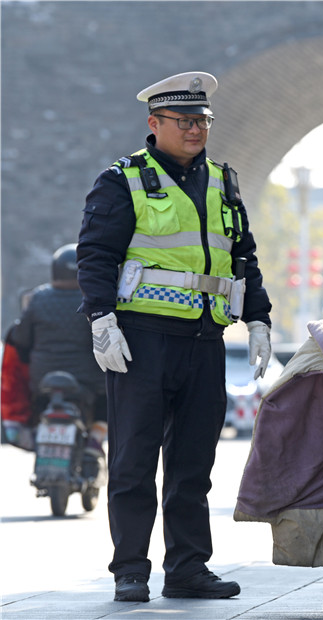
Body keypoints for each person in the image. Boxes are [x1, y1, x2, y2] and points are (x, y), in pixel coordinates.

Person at [76, 71, 272, 603]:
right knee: (134, 460)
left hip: (205, 339)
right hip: (141, 338)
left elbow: (243, 256)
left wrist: (258, 318)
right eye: (184, 122)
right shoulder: (123, 180)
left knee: (192, 466)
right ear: (154, 124)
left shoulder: (223, 181)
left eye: (203, 121)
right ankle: (131, 571)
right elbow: (96, 255)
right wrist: (101, 319)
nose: (196, 130)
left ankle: (187, 567)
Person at [3, 244, 108, 459]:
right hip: (87, 381)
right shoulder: (93, 300)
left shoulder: (39, 298)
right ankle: (95, 442)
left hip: (42, 380)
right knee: (106, 399)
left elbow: (21, 338)